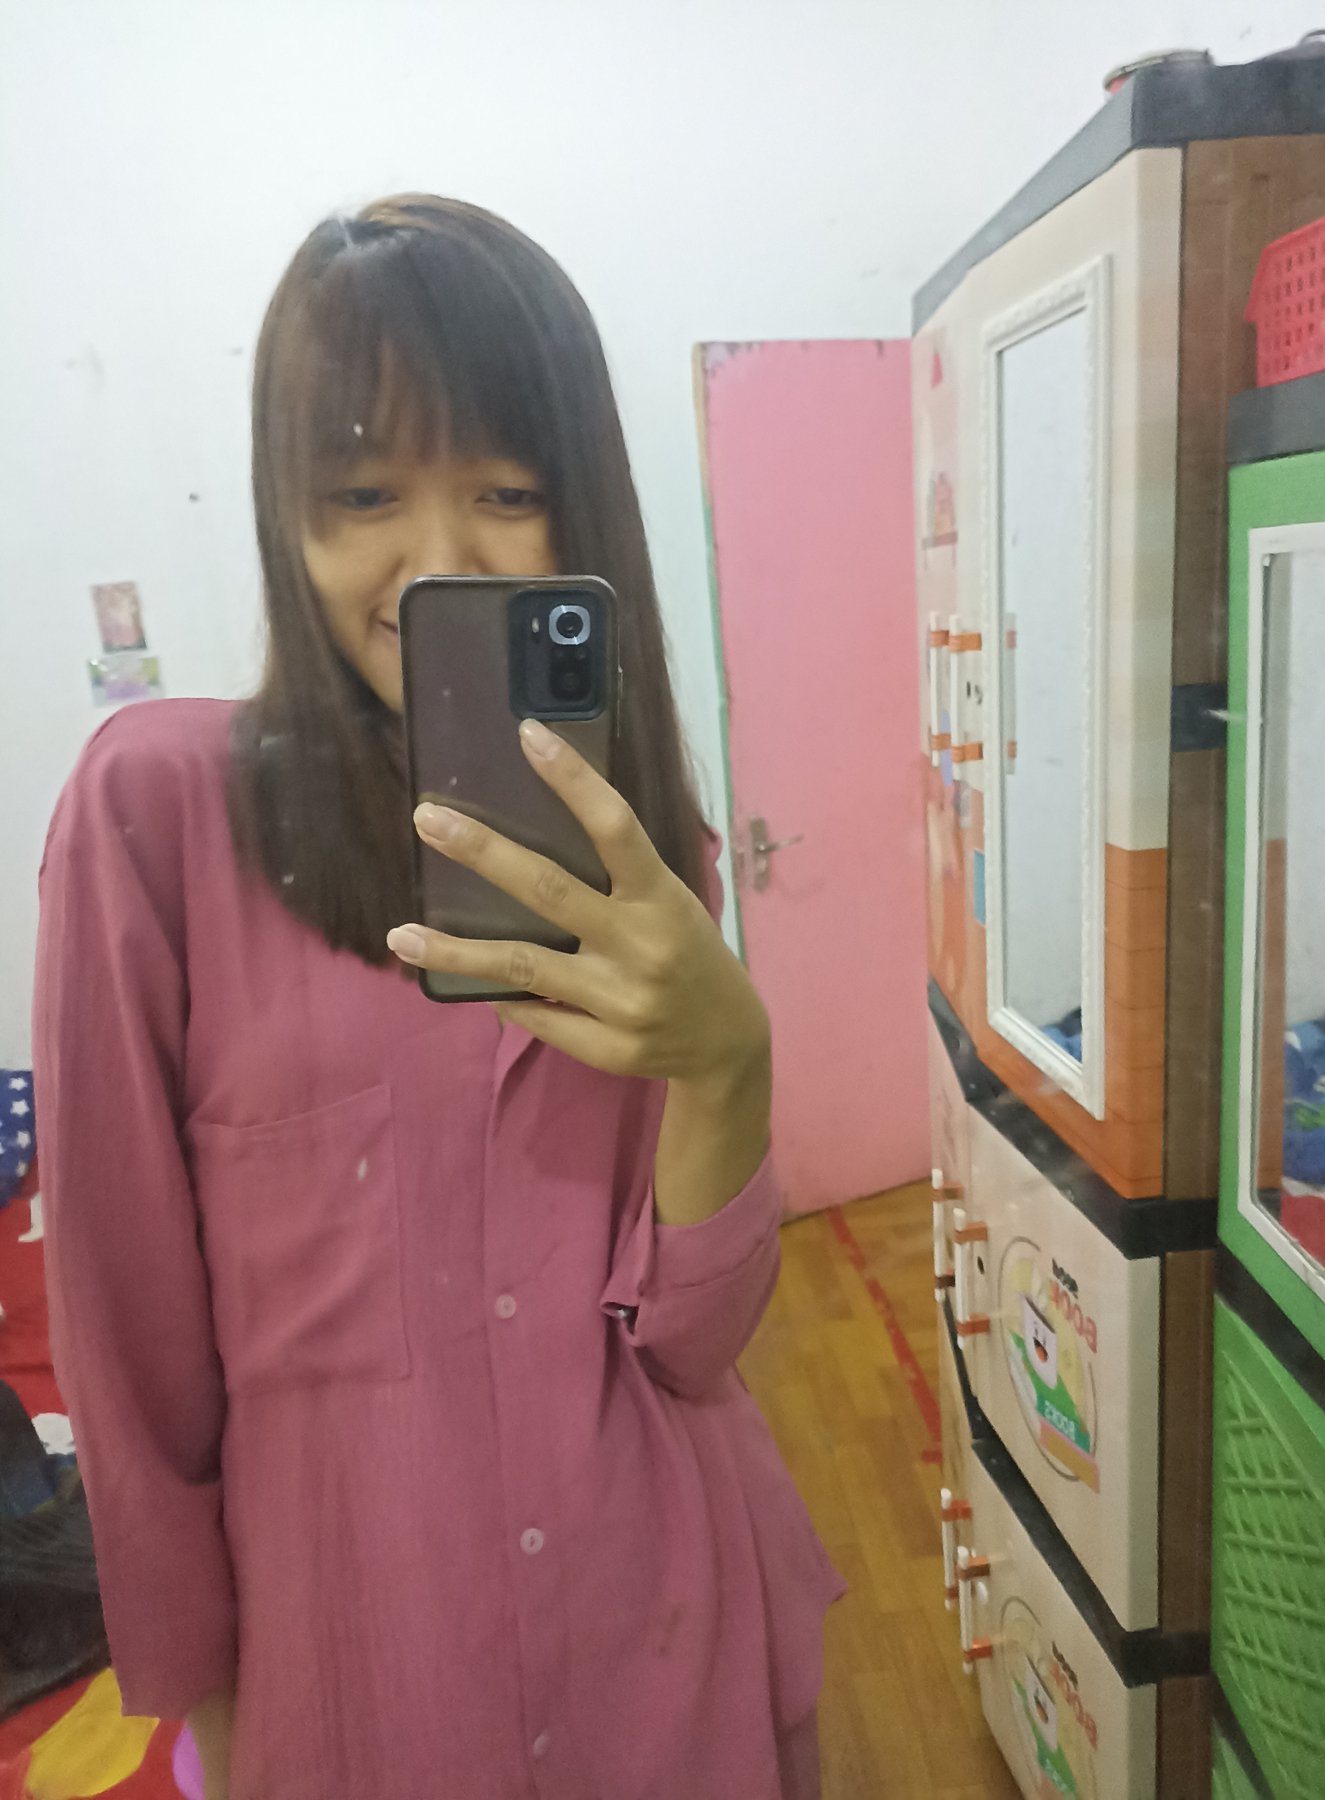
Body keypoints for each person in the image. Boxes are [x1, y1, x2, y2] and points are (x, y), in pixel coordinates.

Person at [33, 195, 844, 1800]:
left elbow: (690, 1350)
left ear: (580, 508)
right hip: (356, 1651)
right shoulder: (158, 818)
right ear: (288, 516)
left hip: (659, 1633)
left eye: (506, 491)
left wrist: (729, 1062)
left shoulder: (647, 861)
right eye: (363, 495)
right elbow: (123, 1337)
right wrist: (201, 1691)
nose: (440, 560)